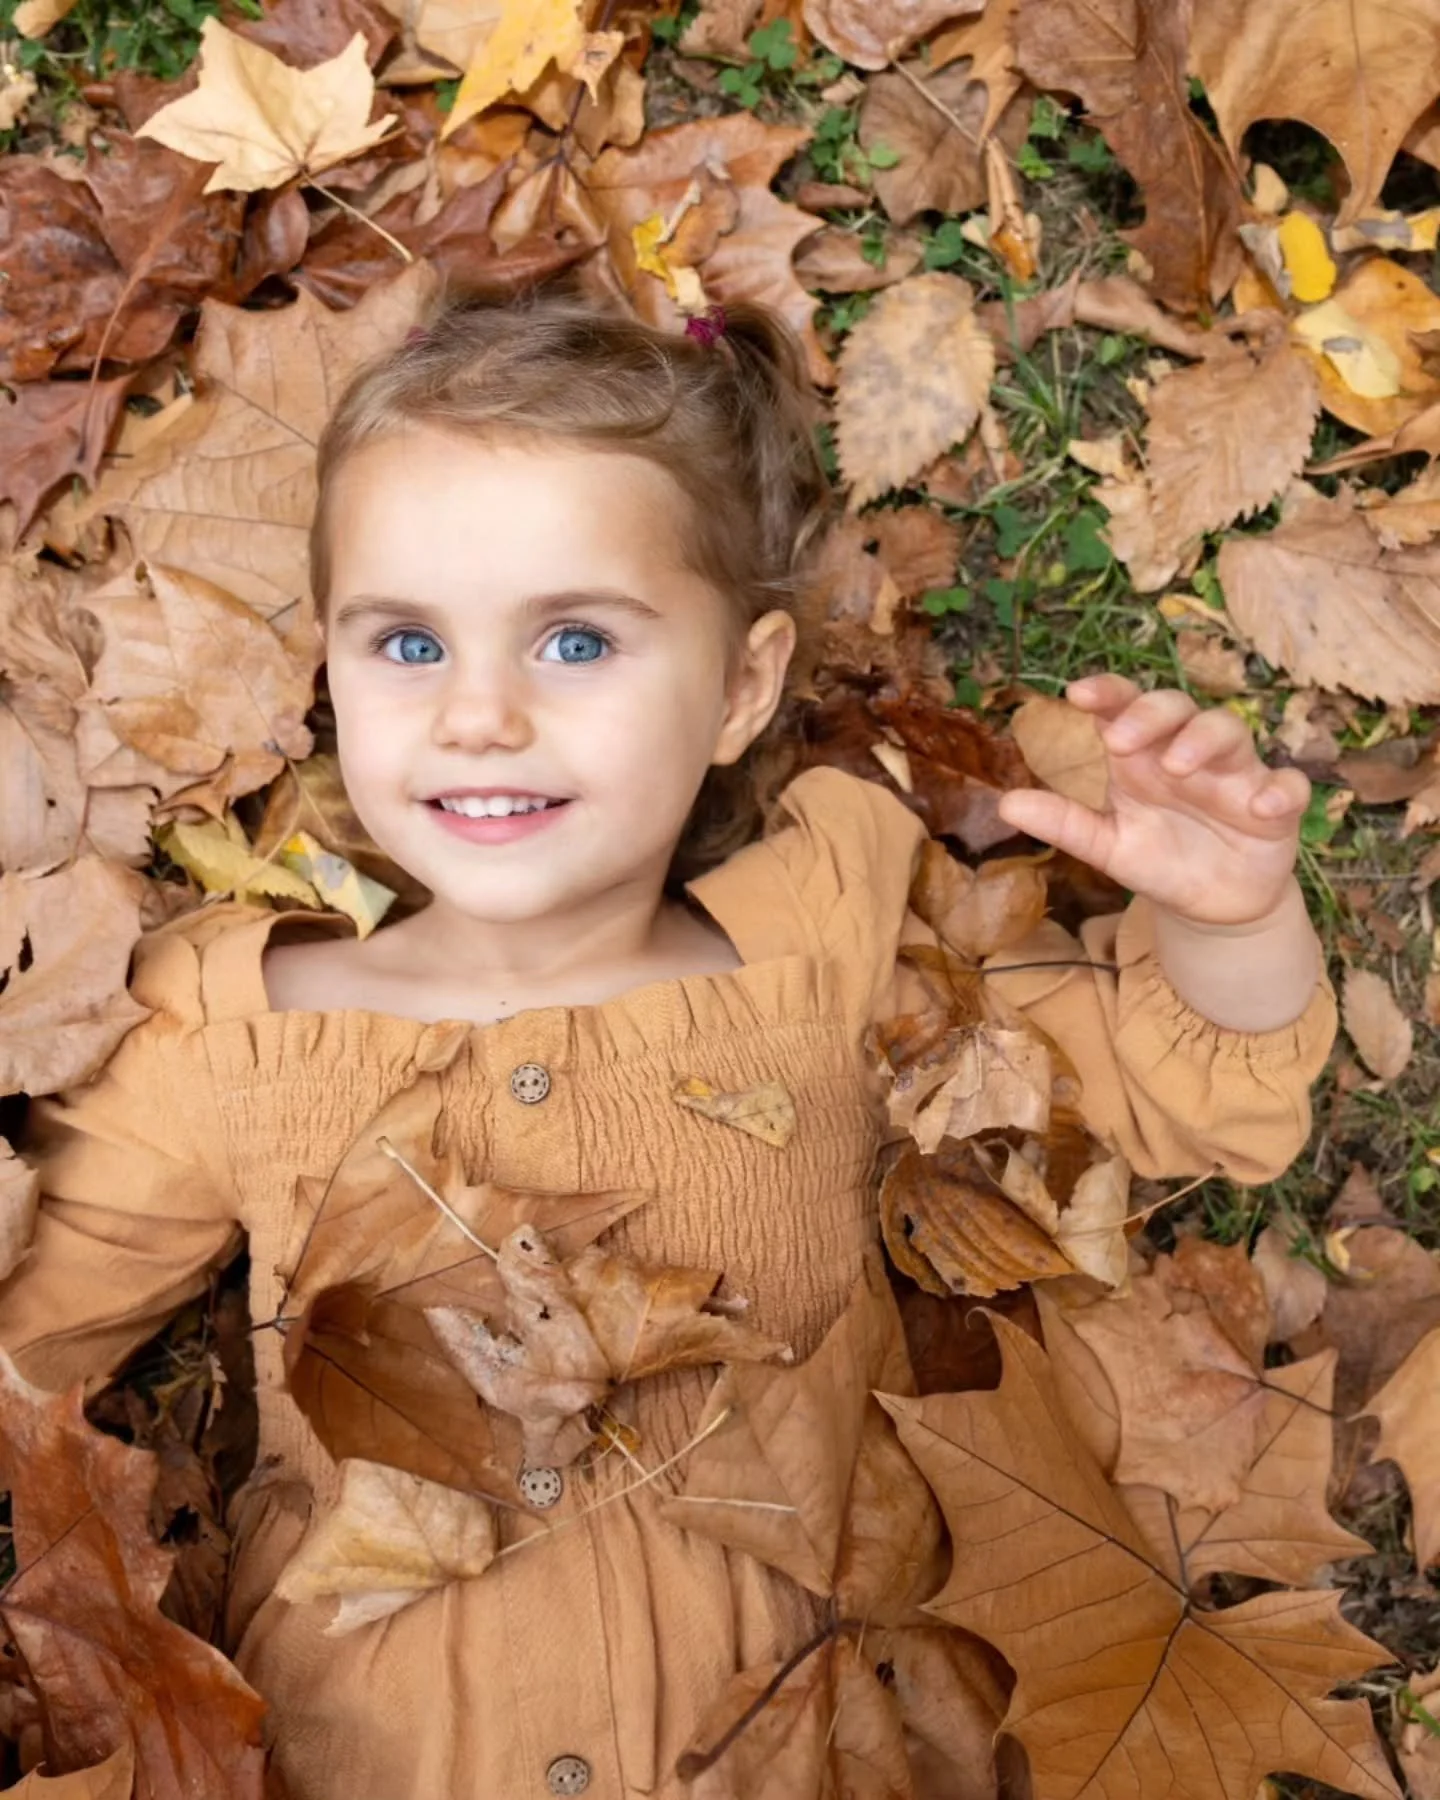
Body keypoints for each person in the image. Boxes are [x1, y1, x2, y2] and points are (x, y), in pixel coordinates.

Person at [0, 294, 1335, 1799]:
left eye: (575, 640)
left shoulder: (828, 950)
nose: (481, 714)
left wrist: (1230, 926)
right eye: (409, 642)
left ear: (743, 688)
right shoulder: (234, 1033)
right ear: (331, 667)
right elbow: (27, 1339)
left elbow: (1178, 1099)